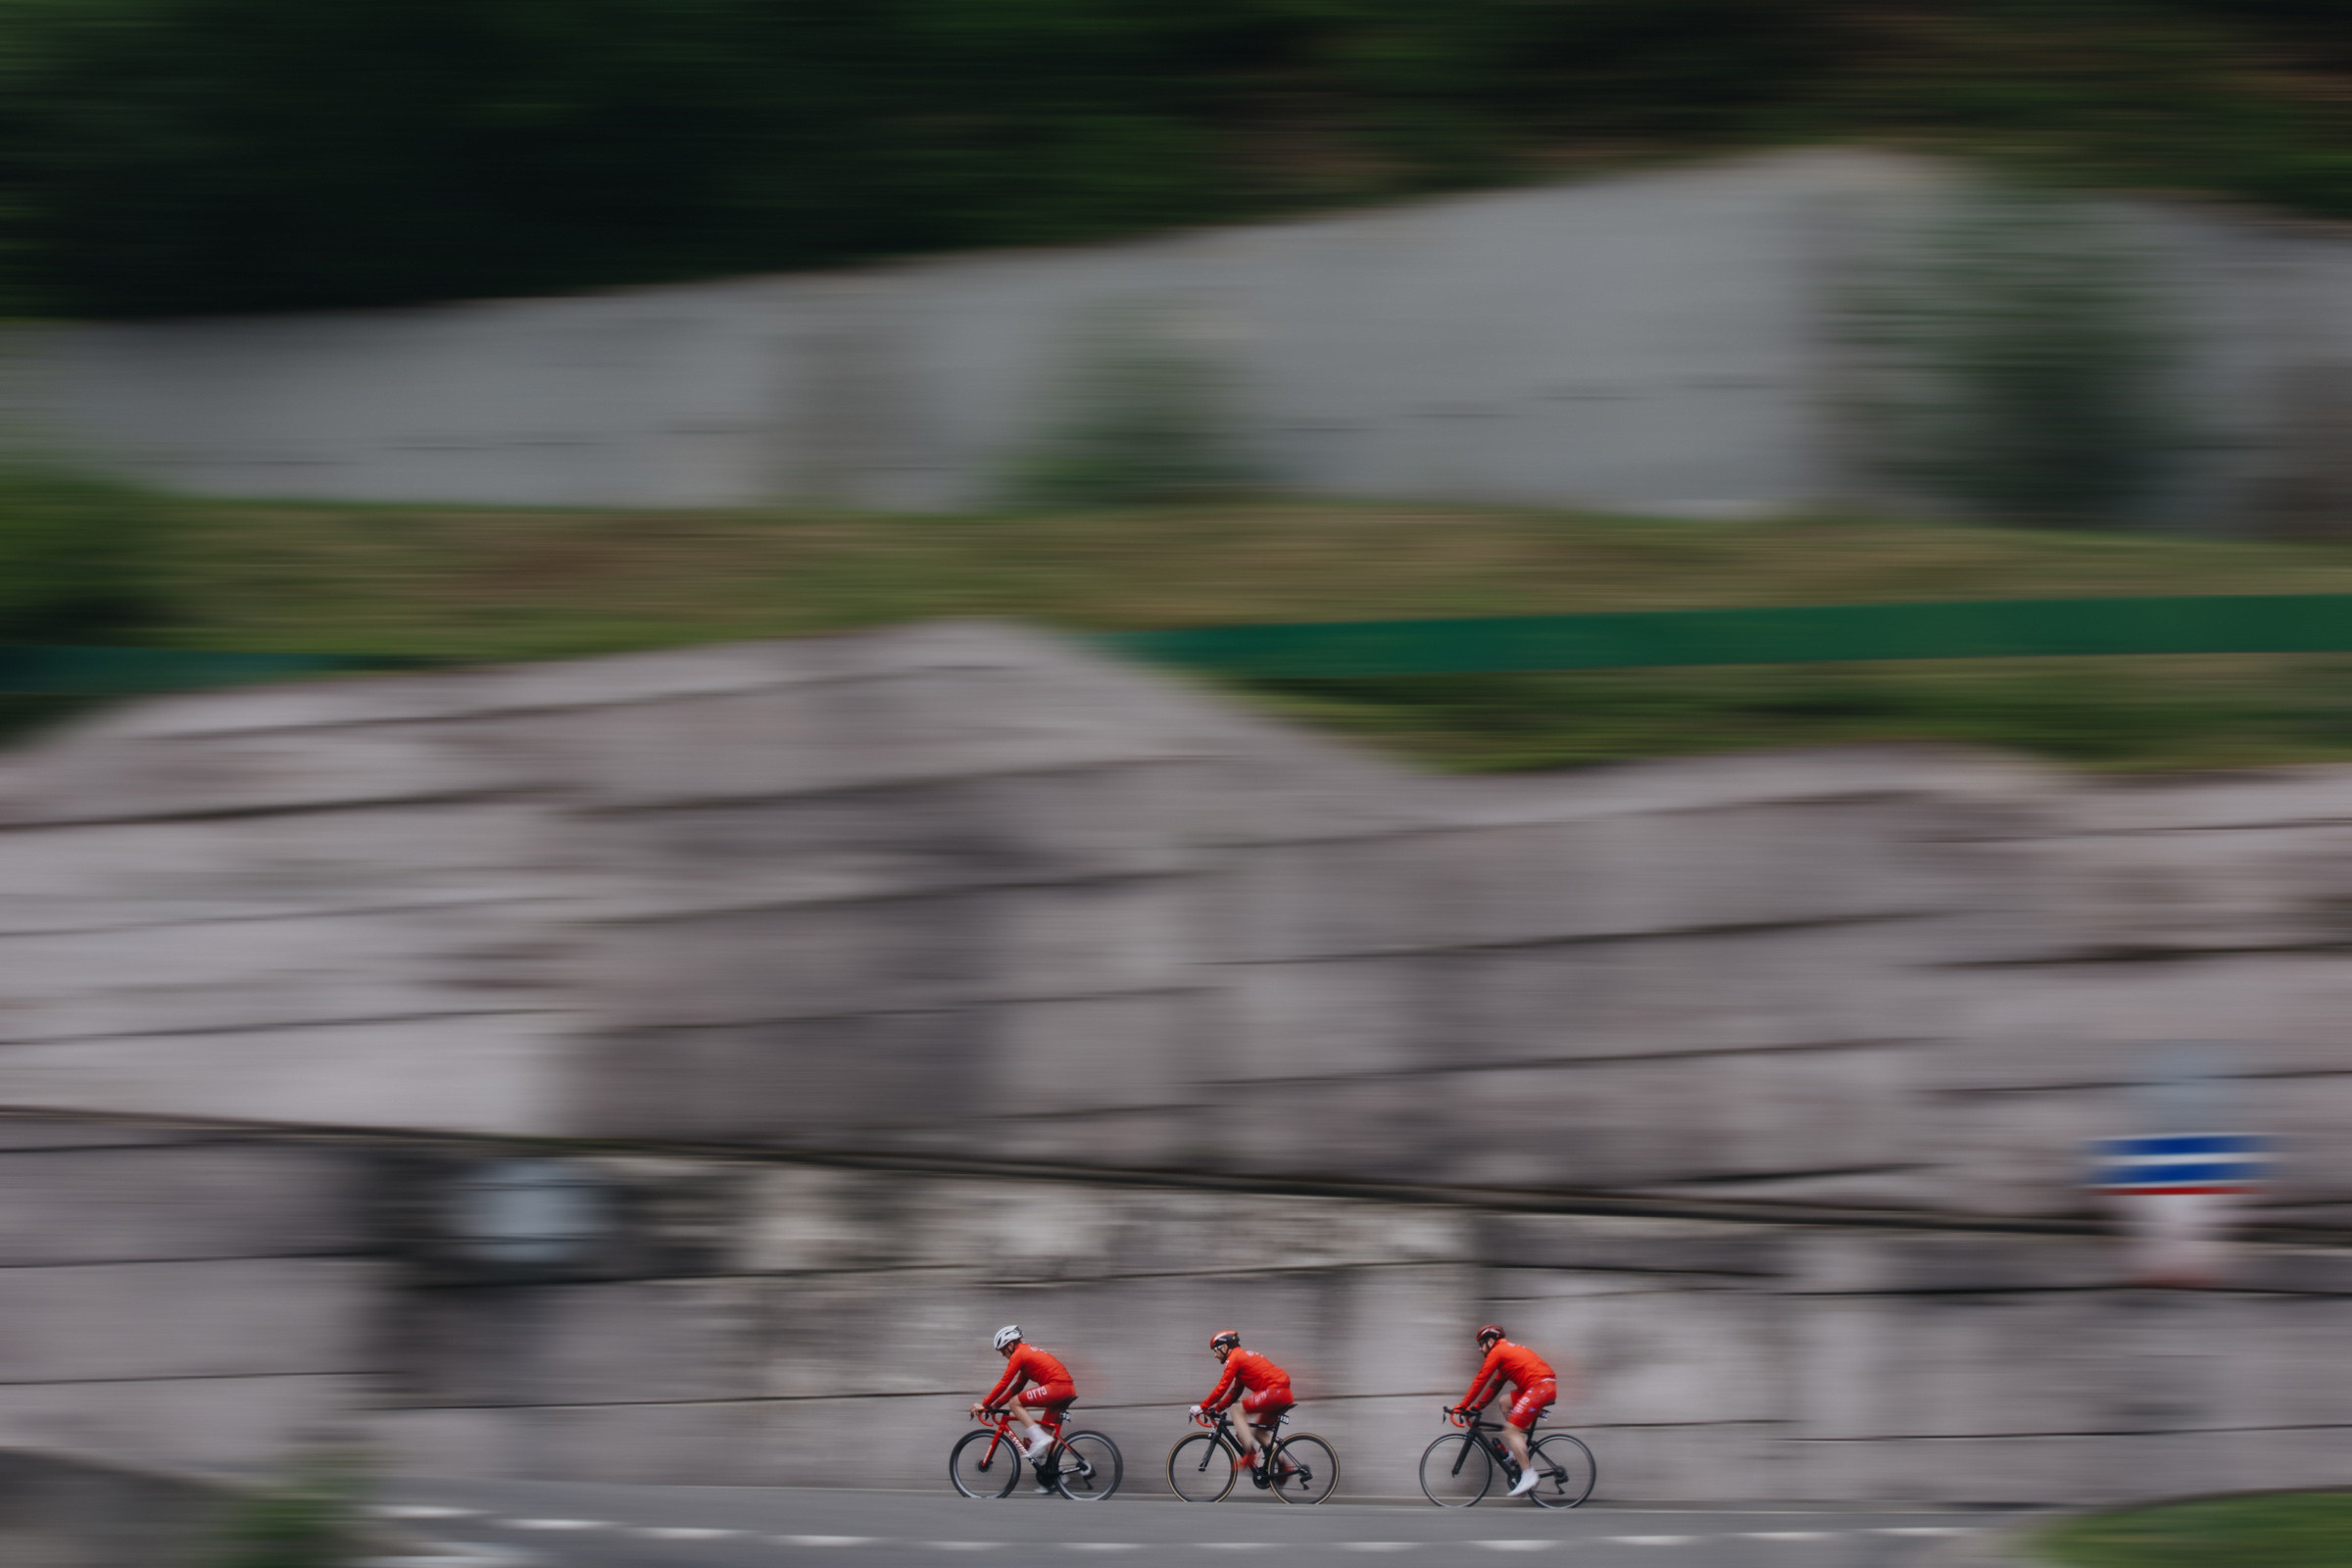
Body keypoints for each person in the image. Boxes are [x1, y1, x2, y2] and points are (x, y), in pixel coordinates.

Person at [1453, 1323, 1563, 1497]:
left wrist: (1461, 1405)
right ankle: (1518, 1453)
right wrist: (1475, 1407)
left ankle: (1528, 1475)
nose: (1479, 1349)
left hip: (1539, 1387)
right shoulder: (1505, 1355)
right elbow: (1493, 1387)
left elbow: (1481, 1379)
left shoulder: (1498, 1351)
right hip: (1541, 1386)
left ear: (1490, 1341)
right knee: (1504, 1402)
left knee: (1510, 1430)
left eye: (1481, 1344)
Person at [971, 1325, 1078, 1493]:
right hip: (1064, 1389)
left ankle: (1039, 1440)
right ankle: (1058, 1478)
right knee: (1045, 1434)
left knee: (1015, 1404)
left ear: (1010, 1345)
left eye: (1003, 1351)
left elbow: (1004, 1382)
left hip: (1058, 1387)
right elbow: (1017, 1386)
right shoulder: (1026, 1355)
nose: (1003, 1355)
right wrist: (995, 1406)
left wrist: (984, 1404)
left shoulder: (1020, 1354)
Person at [1189, 1330, 1294, 1485]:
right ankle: (1284, 1466)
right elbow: (1235, 1392)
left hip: (1274, 1391)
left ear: (1224, 1347)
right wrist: (1216, 1410)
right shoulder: (1241, 1358)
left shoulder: (1234, 1358)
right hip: (1281, 1393)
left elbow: (1222, 1387)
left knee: (1237, 1410)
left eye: (1215, 1350)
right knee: (1259, 1433)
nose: (1214, 1355)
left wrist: (1202, 1406)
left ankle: (1250, 1454)